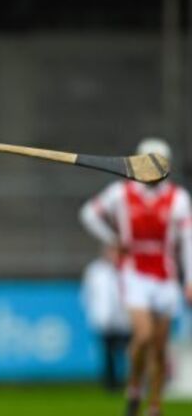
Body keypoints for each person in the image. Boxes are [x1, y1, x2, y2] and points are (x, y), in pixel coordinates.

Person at [80, 137, 192, 416]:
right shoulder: (120, 193)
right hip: (134, 274)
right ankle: (134, 388)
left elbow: (188, 241)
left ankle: (154, 405)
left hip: (165, 276)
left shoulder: (178, 198)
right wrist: (113, 239)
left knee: (160, 347)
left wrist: (190, 279)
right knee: (142, 336)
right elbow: (89, 214)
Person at [81, 245, 131, 391]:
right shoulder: (95, 270)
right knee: (107, 352)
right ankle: (110, 382)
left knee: (128, 351)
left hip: (125, 318)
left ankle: (129, 380)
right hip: (104, 318)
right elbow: (88, 294)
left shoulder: (127, 268)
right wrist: (93, 313)